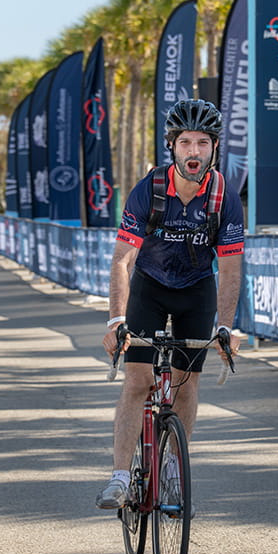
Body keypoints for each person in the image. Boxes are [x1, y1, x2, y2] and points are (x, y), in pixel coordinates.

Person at [96, 99, 245, 510]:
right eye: (185, 143)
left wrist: (227, 328)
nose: (193, 152)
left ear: (214, 148)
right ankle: (121, 477)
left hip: (196, 289)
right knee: (138, 380)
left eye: (201, 143)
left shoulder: (223, 199)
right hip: (150, 285)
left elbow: (230, 271)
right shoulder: (149, 191)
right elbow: (123, 260)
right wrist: (116, 320)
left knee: (186, 380)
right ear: (172, 146)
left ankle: (174, 471)